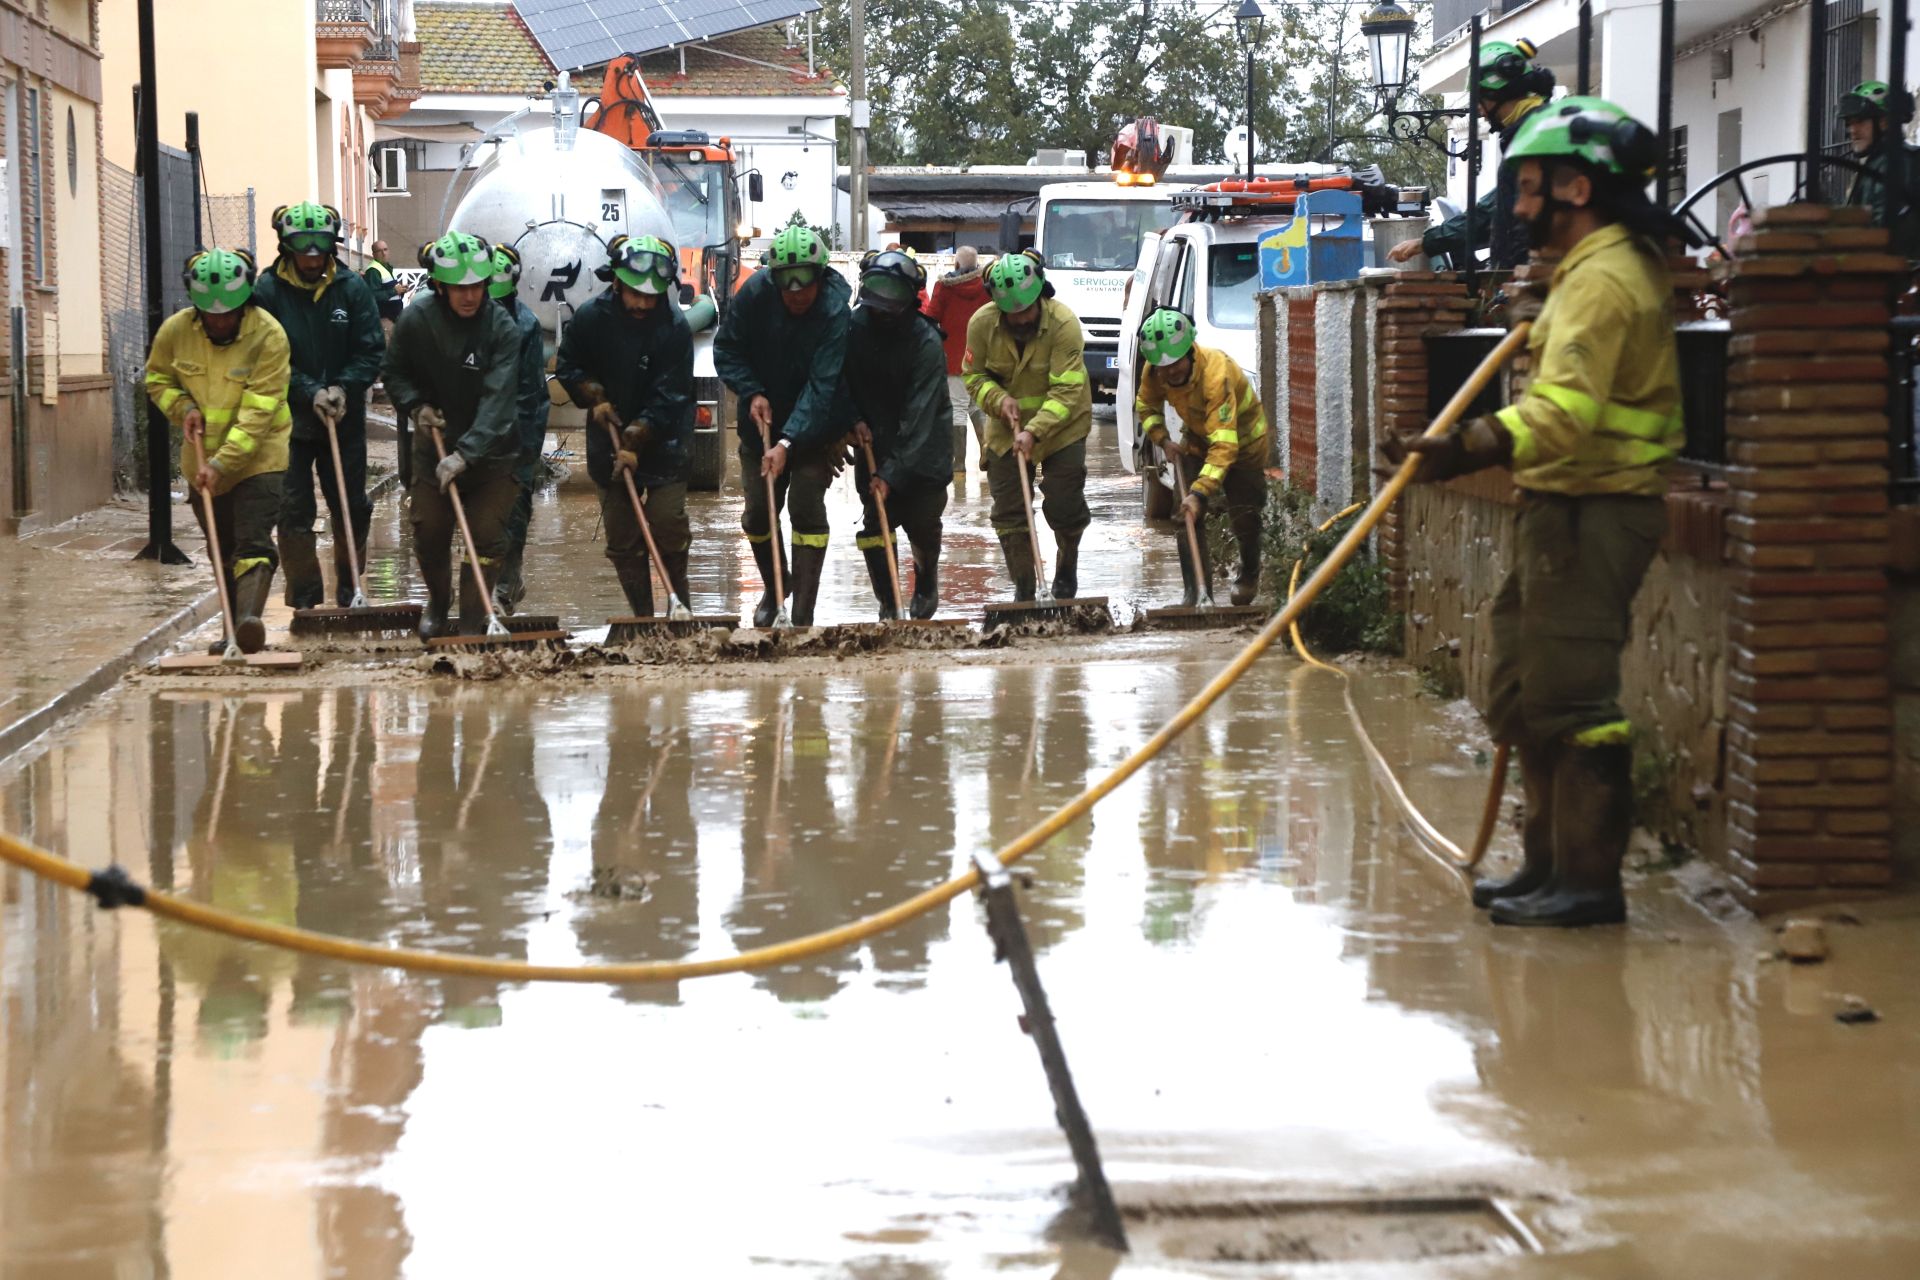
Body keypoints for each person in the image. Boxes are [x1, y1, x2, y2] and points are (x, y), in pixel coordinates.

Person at [1383, 97, 1682, 929]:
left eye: (1528, 188)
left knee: (1573, 700)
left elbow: (1564, 412)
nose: (1517, 209)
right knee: (1523, 687)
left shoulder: (1610, 278)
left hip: (1601, 507)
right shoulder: (1584, 275)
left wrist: (1465, 446)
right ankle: (1545, 865)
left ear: (1577, 188)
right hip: (1560, 504)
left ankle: (1587, 885)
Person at [144, 249, 292, 653]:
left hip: (260, 457)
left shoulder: (269, 335)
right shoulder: (176, 332)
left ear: (245, 301)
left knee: (253, 543)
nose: (220, 320)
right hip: (202, 461)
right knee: (221, 550)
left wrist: (225, 462)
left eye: (228, 313)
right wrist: (183, 408)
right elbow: (157, 379)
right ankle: (232, 629)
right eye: (210, 314)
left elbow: (259, 413)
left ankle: (248, 623)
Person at [382, 231, 526, 640]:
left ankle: (470, 621)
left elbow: (499, 401)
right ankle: (438, 603)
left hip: (493, 454)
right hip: (434, 446)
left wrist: (466, 454)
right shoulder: (417, 320)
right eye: (460, 288)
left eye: (477, 286)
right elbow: (394, 372)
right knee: (428, 532)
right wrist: (415, 405)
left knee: (485, 538)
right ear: (441, 286)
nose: (470, 296)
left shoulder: (502, 328)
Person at [712, 224, 851, 627]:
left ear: (820, 276)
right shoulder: (754, 295)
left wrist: (788, 442)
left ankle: (803, 610)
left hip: (815, 429)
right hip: (761, 425)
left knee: (805, 504)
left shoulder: (834, 311)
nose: (795, 292)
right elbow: (727, 349)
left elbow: (822, 385)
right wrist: (751, 391)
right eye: (785, 283)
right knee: (757, 513)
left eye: (804, 281)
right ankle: (776, 589)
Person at [249, 202, 384, 611]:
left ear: (331, 244)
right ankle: (305, 600)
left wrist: (344, 388)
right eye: (301, 244)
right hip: (286, 420)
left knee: (351, 504)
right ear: (286, 245)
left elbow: (371, 348)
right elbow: (263, 356)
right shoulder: (267, 291)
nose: (310, 253)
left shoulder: (352, 288)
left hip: (343, 420)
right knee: (293, 509)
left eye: (319, 243)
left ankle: (349, 590)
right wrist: (309, 390)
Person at [554, 234, 697, 617]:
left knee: (667, 523)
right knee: (622, 533)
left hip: (665, 439)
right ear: (616, 281)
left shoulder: (674, 327)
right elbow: (568, 365)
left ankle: (679, 605)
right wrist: (592, 396)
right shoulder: (590, 318)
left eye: (652, 296)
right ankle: (642, 617)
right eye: (636, 294)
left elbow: (672, 394)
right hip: (608, 436)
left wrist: (636, 438)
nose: (643, 303)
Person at [963, 250, 1094, 600]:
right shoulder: (981, 324)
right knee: (1008, 510)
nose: (1020, 319)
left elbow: (1067, 390)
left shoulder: (1064, 323)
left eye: (1027, 310)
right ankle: (1024, 587)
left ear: (1040, 295)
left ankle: (1067, 566)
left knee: (1064, 501)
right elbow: (973, 377)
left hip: (1063, 426)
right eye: (1012, 313)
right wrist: (997, 398)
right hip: (1006, 428)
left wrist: (1035, 431)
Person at [1133, 308, 1270, 606]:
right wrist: (1163, 440)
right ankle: (1196, 593)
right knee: (1185, 514)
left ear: (1190, 351)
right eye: (1162, 367)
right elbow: (1145, 404)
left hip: (1244, 445)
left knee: (1245, 514)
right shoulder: (1155, 371)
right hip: (1197, 440)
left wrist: (1200, 492)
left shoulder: (1215, 373)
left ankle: (1249, 573)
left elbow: (1225, 446)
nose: (1169, 372)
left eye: (1175, 364)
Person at [845, 249, 954, 619]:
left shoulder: (925, 343)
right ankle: (888, 604)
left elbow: (919, 417)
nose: (879, 314)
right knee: (876, 525)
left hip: (924, 450)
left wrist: (891, 474)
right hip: (874, 441)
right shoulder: (854, 329)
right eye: (873, 305)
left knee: (923, 524)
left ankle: (925, 582)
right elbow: (840, 381)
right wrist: (852, 418)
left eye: (887, 307)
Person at [1387, 37, 1554, 270]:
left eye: (1479, 99)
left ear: (1498, 94)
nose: (1477, 110)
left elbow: (1492, 213)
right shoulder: (1533, 131)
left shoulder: (1537, 137)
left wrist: (1428, 241)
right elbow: (1497, 209)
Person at [486, 244, 551, 613]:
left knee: (512, 508)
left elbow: (531, 398)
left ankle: (505, 585)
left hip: (513, 433)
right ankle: (462, 591)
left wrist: (522, 453)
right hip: (464, 432)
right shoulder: (456, 317)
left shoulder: (525, 325)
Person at [923, 245, 991, 470]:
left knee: (958, 407)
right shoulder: (986, 286)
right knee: (975, 404)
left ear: (956, 264)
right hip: (981, 357)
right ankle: (986, 445)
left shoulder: (944, 287)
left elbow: (932, 316)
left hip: (953, 357)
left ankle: (959, 462)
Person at [1839, 80, 1920, 259]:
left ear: (1884, 122)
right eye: (1849, 123)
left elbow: (1880, 231)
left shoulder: (1897, 162)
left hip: (1898, 277)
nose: (1852, 130)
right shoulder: (1875, 164)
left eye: (1859, 121)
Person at [363, 239, 405, 329]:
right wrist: (394, 291)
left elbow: (392, 294)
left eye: (385, 249)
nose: (383, 253)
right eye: (379, 251)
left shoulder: (388, 268)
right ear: (373, 254)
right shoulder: (373, 270)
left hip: (394, 319)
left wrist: (401, 291)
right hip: (384, 320)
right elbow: (372, 296)